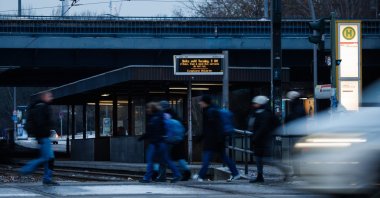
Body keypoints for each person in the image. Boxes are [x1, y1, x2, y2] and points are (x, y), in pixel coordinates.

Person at [193, 95, 240, 182]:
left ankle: (200, 176)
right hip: (217, 139)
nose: (199, 103)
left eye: (201, 101)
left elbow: (211, 127)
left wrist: (201, 137)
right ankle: (235, 173)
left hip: (212, 140)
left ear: (205, 102)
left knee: (207, 158)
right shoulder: (213, 110)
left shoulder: (210, 112)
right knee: (224, 157)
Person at [19, 91, 59, 186]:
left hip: (43, 136)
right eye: (50, 96)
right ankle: (25, 169)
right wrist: (44, 132)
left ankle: (47, 178)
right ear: (44, 97)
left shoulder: (40, 106)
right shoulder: (41, 107)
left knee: (48, 158)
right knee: (47, 158)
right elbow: (40, 122)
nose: (51, 98)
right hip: (43, 136)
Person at [138, 102, 182, 183]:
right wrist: (142, 137)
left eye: (148, 108)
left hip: (156, 143)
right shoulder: (157, 116)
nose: (147, 109)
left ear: (152, 108)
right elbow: (152, 131)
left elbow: (156, 131)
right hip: (160, 142)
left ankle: (147, 178)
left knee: (150, 159)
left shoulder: (156, 118)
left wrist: (154, 141)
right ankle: (177, 174)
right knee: (167, 160)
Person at [248, 95, 285, 183]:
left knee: (267, 159)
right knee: (259, 158)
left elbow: (262, 127)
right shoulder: (259, 113)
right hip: (260, 139)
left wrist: (256, 137)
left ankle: (285, 170)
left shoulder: (264, 114)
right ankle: (259, 176)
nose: (254, 105)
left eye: (256, 103)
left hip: (264, 139)